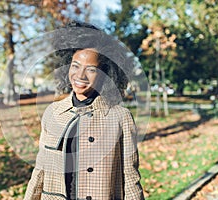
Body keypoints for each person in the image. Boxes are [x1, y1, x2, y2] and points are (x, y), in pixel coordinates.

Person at [25, 21, 144, 200]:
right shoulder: (52, 113)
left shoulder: (120, 117)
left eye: (91, 69)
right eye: (75, 65)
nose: (80, 76)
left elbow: (130, 177)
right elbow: (41, 170)